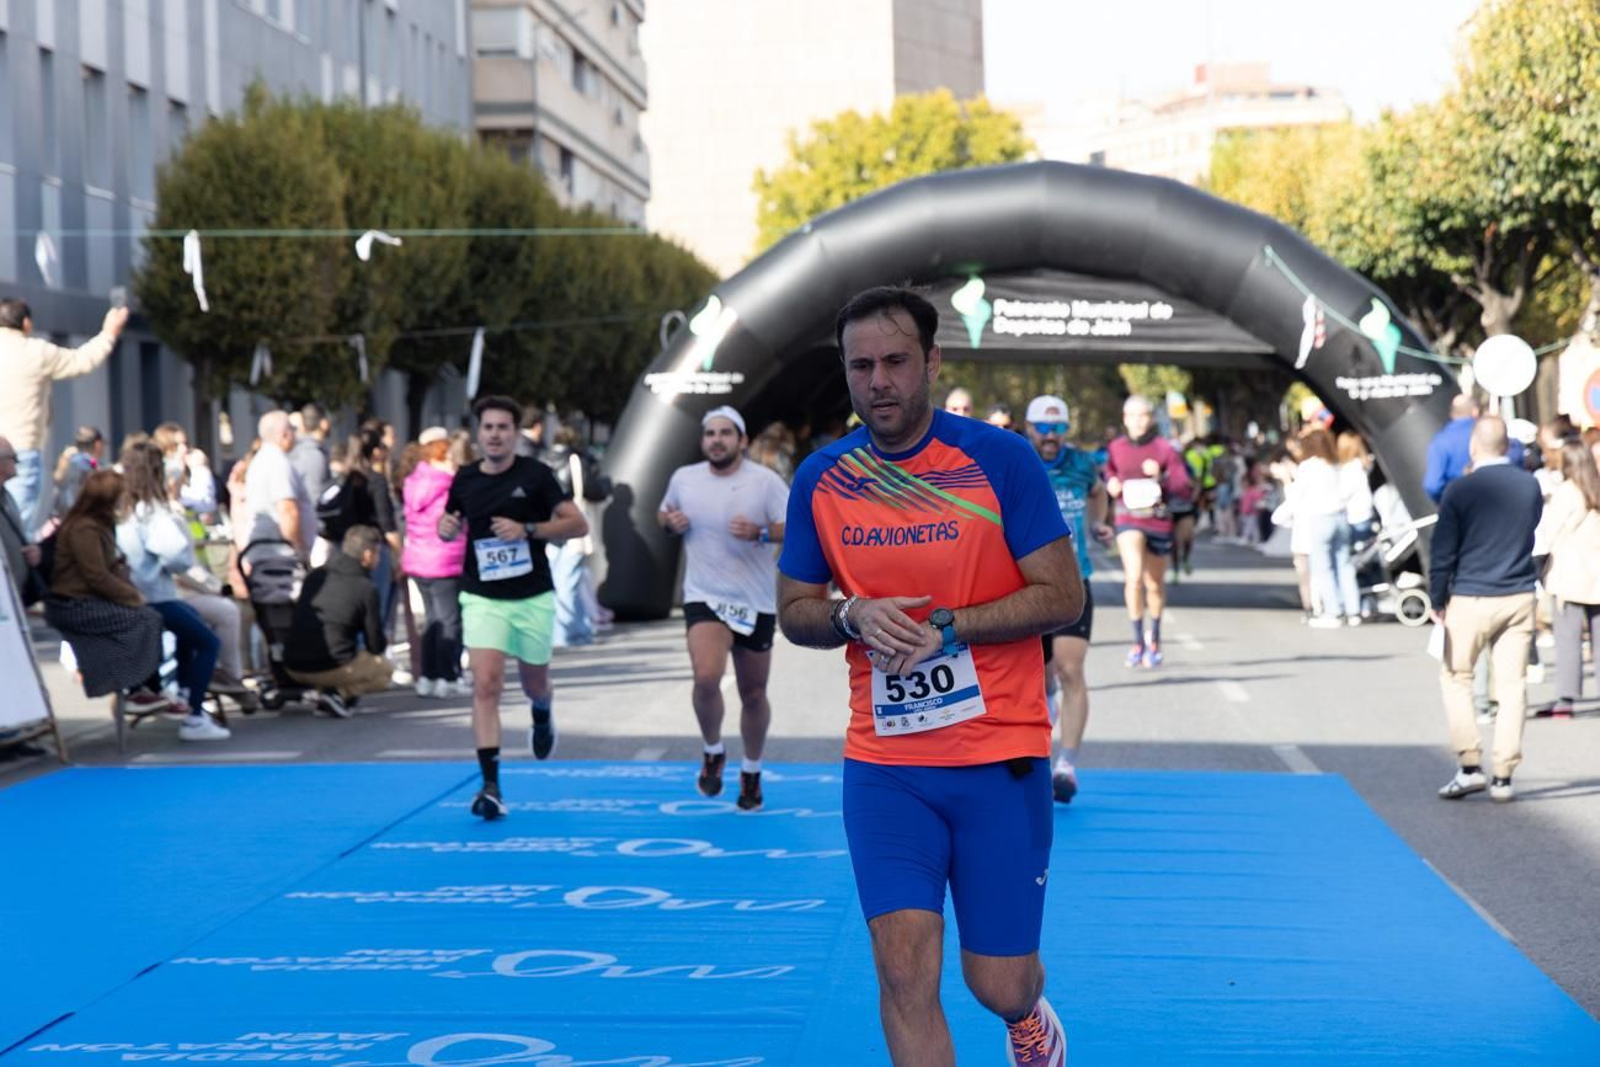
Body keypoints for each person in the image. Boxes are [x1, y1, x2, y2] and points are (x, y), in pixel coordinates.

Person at [777, 287, 1079, 1062]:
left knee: (998, 982)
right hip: (886, 765)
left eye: (896, 361)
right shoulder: (823, 477)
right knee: (904, 974)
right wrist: (851, 616)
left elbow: (1062, 595)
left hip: (998, 757)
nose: (879, 380)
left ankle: (1028, 1017)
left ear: (932, 362)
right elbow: (796, 610)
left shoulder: (999, 459)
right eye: (861, 365)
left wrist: (947, 628)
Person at [439, 396, 589, 820]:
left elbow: (578, 524)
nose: (495, 435)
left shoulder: (536, 476)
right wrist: (446, 527)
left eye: (503, 427)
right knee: (485, 685)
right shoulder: (465, 479)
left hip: (531, 597)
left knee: (533, 683)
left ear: (515, 433)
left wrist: (528, 529)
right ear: (478, 433)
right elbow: (448, 523)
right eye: (488, 427)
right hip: (482, 595)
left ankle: (542, 711)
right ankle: (491, 786)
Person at [659, 405, 790, 811]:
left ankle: (751, 770)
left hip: (754, 601)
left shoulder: (765, 482)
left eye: (725, 433)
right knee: (705, 677)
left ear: (743, 440)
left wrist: (762, 532)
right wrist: (670, 522)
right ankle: (713, 750)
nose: (716, 440)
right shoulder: (685, 478)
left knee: (753, 693)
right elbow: (663, 513)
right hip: (705, 596)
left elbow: (799, 525)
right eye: (710, 433)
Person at [1432, 416, 1542, 804]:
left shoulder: (1459, 490)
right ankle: (1504, 774)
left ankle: (1469, 766)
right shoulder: (1529, 486)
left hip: (1471, 594)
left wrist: (1436, 597)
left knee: (1457, 676)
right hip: (1518, 593)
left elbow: (1443, 550)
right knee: (1512, 686)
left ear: (1473, 447)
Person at [114, 440, 233, 740]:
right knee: (207, 642)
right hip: (157, 596)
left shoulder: (124, 509)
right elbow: (177, 554)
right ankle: (194, 713)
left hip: (135, 595)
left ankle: (182, 691)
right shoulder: (152, 511)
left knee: (190, 623)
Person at [1025, 394, 1112, 805]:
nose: (1051, 436)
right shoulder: (1017, 462)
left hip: (1075, 581)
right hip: (1028, 586)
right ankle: (1049, 703)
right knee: (1040, 679)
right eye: (1043, 427)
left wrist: (1099, 526)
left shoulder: (1081, 464)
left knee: (1070, 668)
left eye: (1058, 428)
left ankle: (1067, 765)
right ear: (1029, 428)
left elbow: (1098, 493)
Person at [43, 469, 171, 718]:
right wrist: (131, 597)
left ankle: (143, 686)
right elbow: (96, 575)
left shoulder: (98, 526)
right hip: (74, 603)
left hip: (85, 598)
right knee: (145, 620)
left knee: (149, 618)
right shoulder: (85, 529)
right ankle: (137, 687)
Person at [0, 298, 129, 533]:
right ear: (26, 323)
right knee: (16, 528)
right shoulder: (35, 351)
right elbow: (81, 361)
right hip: (20, 448)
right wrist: (109, 332)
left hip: (13, 447)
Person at [1104, 395, 1191, 668]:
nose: (1138, 420)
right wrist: (1112, 483)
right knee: (1134, 578)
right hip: (1128, 518)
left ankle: (1155, 637)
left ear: (1151, 419)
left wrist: (1162, 475)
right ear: (1124, 418)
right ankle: (1137, 640)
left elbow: (1183, 485)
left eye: (1143, 415)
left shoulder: (1164, 448)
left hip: (1158, 520)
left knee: (1154, 584)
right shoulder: (1116, 447)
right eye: (1132, 415)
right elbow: (1108, 473)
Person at [282, 525, 394, 717]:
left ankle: (324, 693)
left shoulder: (316, 576)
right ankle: (339, 694)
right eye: (378, 554)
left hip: (291, 663)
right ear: (367, 555)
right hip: (332, 664)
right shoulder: (365, 588)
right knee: (384, 670)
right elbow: (375, 644)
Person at [401, 427, 468, 698]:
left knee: (431, 621)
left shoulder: (413, 480)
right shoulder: (448, 481)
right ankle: (448, 677)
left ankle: (426, 676)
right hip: (445, 558)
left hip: (418, 559)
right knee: (450, 620)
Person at [1542, 440, 1600, 718]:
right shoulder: (1596, 488)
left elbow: (1549, 533)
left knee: (1568, 636)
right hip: (1597, 572)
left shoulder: (1565, 493)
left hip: (1570, 573)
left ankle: (1566, 697)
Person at [1294, 428, 1361, 628]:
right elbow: (1347, 491)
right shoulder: (1335, 465)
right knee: (1345, 564)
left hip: (1320, 518)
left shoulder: (1307, 467)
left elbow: (1297, 496)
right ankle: (1353, 610)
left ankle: (1333, 611)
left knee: (1322, 567)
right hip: (1340, 517)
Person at [1424, 394, 1524, 503]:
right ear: (1475, 411)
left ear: (1452, 414)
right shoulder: (1488, 431)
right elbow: (1516, 457)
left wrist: (1451, 502)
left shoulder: (1440, 441)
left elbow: (1432, 485)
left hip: (1461, 509)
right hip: (1500, 502)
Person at [243, 411, 315, 555]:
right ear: (284, 435)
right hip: (281, 555)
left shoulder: (261, 460)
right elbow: (287, 511)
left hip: (267, 550)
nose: (295, 434)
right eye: (293, 429)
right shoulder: (278, 463)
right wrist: (298, 549)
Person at [0, 435, 43, 603]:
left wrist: (31, 551)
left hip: (13, 597)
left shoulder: (8, 497)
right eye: (13, 458)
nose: (17, 463)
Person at [53, 426, 106, 519]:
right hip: (84, 519)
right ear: (97, 444)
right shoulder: (91, 465)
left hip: (66, 519)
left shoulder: (68, 461)